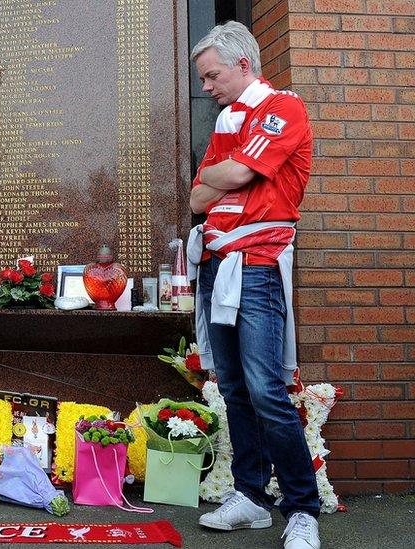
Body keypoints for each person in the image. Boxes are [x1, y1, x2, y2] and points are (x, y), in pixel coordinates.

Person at [188, 21, 320, 549]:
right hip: (218, 265)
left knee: (267, 389)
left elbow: (233, 178)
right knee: (235, 388)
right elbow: (197, 197)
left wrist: (228, 172)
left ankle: (303, 509)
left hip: (258, 265)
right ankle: (250, 497)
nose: (207, 86)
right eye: (203, 77)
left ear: (245, 65)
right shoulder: (226, 119)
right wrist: (228, 171)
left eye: (212, 74)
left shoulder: (283, 107)